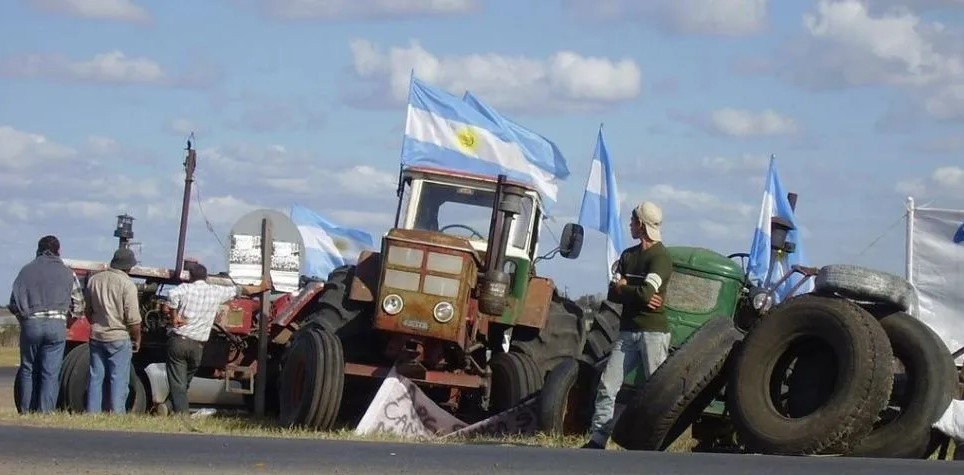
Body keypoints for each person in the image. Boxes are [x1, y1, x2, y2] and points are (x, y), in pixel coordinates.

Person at [583, 201, 674, 449]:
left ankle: (653, 442)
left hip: (653, 333)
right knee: (607, 384)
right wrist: (631, 291)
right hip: (627, 331)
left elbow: (644, 293)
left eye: (633, 221)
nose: (630, 225)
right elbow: (614, 293)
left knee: (656, 392)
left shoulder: (661, 258)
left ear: (641, 225)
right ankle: (598, 438)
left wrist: (625, 286)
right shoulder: (627, 255)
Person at [162, 262, 269, 414]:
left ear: (190, 276)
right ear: (206, 277)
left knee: (178, 382)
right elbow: (240, 289)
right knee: (183, 381)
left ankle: (181, 414)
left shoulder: (185, 288)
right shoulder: (215, 291)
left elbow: (172, 294)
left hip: (179, 341)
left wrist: (174, 317)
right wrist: (261, 287)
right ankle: (171, 408)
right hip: (197, 347)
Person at [8, 235, 85, 414]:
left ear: (38, 250)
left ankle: (26, 411)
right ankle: (46, 412)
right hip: (56, 325)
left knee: (28, 369)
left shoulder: (25, 271)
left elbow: (13, 303)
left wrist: (23, 319)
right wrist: (68, 321)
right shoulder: (67, 272)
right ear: (58, 251)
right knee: (50, 372)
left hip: (31, 324)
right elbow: (80, 305)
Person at [84, 247, 142, 414]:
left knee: (95, 377)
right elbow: (133, 319)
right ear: (129, 266)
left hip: (97, 335)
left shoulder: (94, 280)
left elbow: (88, 310)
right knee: (118, 378)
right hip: (118, 336)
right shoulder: (128, 284)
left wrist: (97, 324)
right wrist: (137, 338)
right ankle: (117, 414)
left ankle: (92, 414)